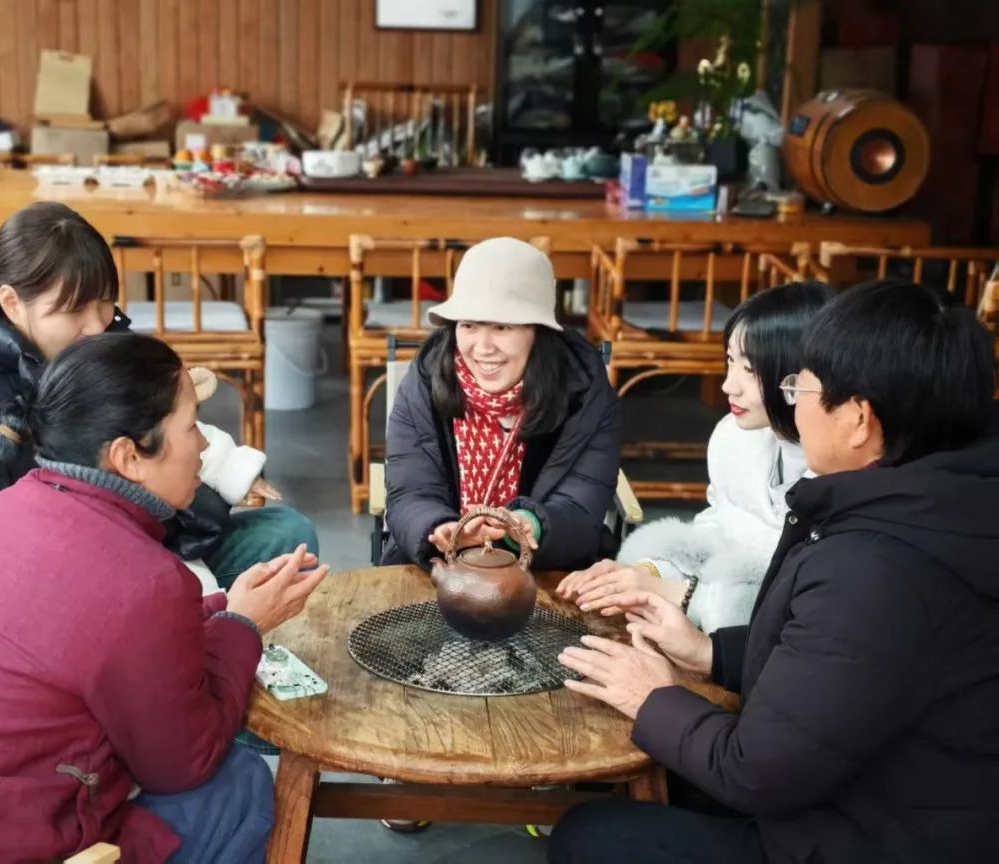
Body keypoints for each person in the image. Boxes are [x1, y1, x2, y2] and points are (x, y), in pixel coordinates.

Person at [551, 279, 999, 864]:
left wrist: (653, 695)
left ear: (859, 419)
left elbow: (758, 772)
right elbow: (840, 673)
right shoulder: (935, 501)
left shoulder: (877, 565)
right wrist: (710, 653)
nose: (793, 401)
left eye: (801, 385)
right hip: (879, 794)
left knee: (590, 837)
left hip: (871, 835)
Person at [0, 333, 330, 863]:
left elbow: (103, 643)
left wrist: (225, 608)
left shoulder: (7, 507)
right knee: (238, 782)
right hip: (10, 838)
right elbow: (184, 761)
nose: (205, 445)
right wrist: (243, 628)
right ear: (128, 456)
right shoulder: (145, 579)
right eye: (191, 428)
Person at [0, 201, 317, 593]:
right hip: (37, 574)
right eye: (74, 309)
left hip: (115, 529)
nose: (96, 325)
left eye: (105, 300)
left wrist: (229, 469)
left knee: (286, 535)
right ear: (11, 302)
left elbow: (160, 422)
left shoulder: (88, 340)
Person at [557, 282, 833, 632]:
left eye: (750, 370)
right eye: (731, 362)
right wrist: (647, 571)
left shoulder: (839, 474)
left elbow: (797, 608)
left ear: (798, 375)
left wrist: (673, 593)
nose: (728, 385)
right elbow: (719, 527)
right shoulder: (734, 438)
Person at [382, 236, 621, 572]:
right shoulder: (425, 382)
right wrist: (438, 528)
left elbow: (582, 508)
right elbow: (409, 491)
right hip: (438, 567)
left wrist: (531, 525)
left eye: (501, 327)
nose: (482, 347)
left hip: (544, 569)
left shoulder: (584, 395)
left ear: (539, 333)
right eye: (469, 325)